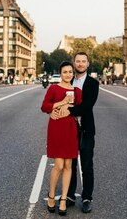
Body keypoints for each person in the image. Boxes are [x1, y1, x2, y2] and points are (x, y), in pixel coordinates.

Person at [53, 52, 99, 214]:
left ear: (87, 64)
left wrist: (68, 110)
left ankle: (86, 197)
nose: (80, 64)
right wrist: (56, 111)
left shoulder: (93, 83)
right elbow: (56, 101)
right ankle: (70, 195)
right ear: (74, 63)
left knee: (86, 165)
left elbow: (87, 106)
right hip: (69, 130)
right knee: (69, 164)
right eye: (77, 61)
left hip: (85, 128)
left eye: (83, 61)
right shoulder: (68, 81)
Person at [42, 61, 82, 216]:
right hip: (57, 127)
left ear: (73, 73)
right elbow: (45, 106)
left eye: (70, 72)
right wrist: (61, 103)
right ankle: (52, 195)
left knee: (68, 165)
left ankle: (63, 199)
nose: (68, 74)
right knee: (58, 165)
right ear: (60, 73)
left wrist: (71, 110)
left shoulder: (77, 91)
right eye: (65, 72)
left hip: (70, 128)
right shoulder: (53, 88)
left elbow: (81, 109)